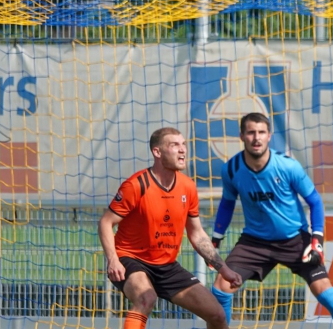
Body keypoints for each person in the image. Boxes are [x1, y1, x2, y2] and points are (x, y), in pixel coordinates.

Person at [209, 113, 333, 329]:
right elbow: (227, 203)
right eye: (251, 132)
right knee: (221, 285)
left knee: (323, 289)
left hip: (295, 240)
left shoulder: (288, 166)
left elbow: (315, 201)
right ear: (241, 136)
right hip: (254, 242)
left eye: (261, 132)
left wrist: (317, 240)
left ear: (269, 135)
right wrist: (216, 238)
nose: (256, 138)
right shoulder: (231, 169)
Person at [98, 127, 242, 329]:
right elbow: (105, 222)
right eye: (174, 145)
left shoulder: (188, 187)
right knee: (146, 298)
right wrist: (113, 260)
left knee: (217, 314)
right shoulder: (136, 185)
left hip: (166, 265)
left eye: (183, 144)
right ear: (157, 152)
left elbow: (197, 234)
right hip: (130, 258)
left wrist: (224, 269)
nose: (182, 150)